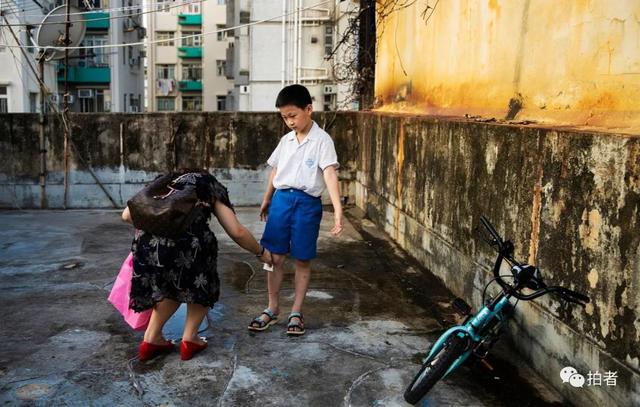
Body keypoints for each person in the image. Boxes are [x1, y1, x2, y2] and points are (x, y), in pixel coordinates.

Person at [122, 169, 272, 361]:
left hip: (149, 249)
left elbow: (127, 215)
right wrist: (260, 252)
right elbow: (236, 231)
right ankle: (190, 338)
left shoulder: (163, 180)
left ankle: (151, 339)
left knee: (171, 285)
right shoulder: (207, 183)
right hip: (189, 247)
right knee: (201, 284)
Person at [248, 84, 343, 336]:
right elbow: (275, 170)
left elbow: (330, 174)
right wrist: (267, 198)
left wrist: (338, 210)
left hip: (307, 205)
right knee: (274, 258)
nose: (289, 121)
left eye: (293, 115)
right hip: (281, 201)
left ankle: (296, 312)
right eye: (284, 117)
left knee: (302, 259)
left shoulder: (322, 141)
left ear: (308, 109)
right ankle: (272, 308)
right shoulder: (285, 141)